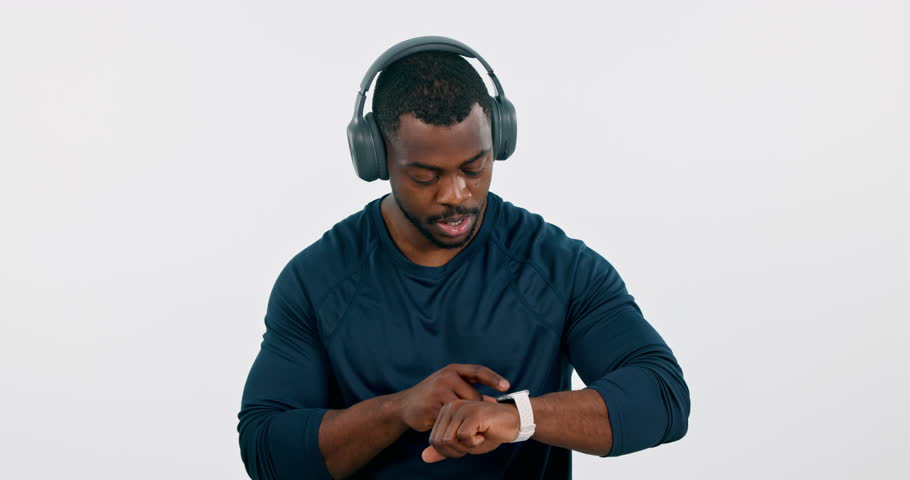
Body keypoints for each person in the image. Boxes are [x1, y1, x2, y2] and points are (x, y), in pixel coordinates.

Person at [236, 38, 690, 480]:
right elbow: (265, 449)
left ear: (500, 142)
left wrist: (516, 417)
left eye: (475, 168)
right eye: (425, 176)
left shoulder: (558, 266)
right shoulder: (317, 280)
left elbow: (662, 397)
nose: (456, 195)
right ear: (376, 157)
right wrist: (398, 410)